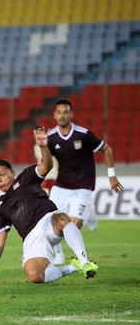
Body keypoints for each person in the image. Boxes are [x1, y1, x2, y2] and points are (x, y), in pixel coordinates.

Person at [0, 127, 99, 286]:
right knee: (35, 276)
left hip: (48, 221)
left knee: (61, 217)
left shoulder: (27, 176)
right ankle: (74, 267)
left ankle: (84, 261)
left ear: (12, 173)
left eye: (2, 175)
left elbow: (46, 166)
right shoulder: (0, 207)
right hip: (31, 237)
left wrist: (43, 147)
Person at [47, 99, 124, 264]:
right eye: (59, 112)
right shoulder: (51, 138)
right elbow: (46, 163)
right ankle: (58, 255)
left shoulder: (83, 134)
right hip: (61, 185)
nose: (62, 115)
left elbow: (106, 149)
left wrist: (112, 176)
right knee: (49, 220)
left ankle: (87, 214)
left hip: (84, 185)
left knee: (74, 224)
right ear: (54, 115)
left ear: (71, 114)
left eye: (65, 112)